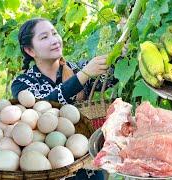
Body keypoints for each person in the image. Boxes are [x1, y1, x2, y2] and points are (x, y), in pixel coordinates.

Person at [11, 18, 113, 180]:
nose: (54, 40)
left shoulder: (77, 69)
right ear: (30, 51)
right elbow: (41, 108)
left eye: (54, 33)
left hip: (87, 166)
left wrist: (121, 50)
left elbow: (113, 74)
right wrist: (83, 76)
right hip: (49, 168)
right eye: (44, 37)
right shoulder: (22, 83)